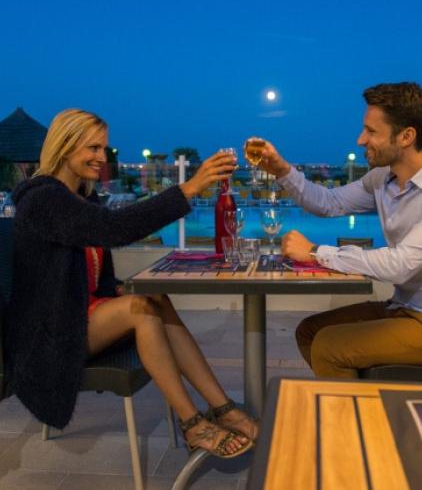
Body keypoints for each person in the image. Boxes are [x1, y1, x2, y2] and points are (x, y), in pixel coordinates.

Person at [5, 108, 258, 458]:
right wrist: (189, 188)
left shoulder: (81, 198)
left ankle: (223, 408)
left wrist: (117, 289)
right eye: (92, 148)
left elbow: (93, 274)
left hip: (78, 314)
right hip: (48, 335)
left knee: (155, 298)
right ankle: (193, 425)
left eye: (103, 149)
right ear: (64, 146)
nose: (101, 157)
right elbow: (116, 228)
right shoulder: (43, 200)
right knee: (141, 309)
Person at [257, 82, 422, 378]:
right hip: (403, 306)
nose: (360, 140)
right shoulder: (383, 179)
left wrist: (315, 252)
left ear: (407, 136)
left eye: (372, 131)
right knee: (310, 331)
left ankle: (353, 419)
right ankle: (367, 406)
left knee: (329, 347)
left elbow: (401, 265)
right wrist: (283, 170)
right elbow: (329, 202)